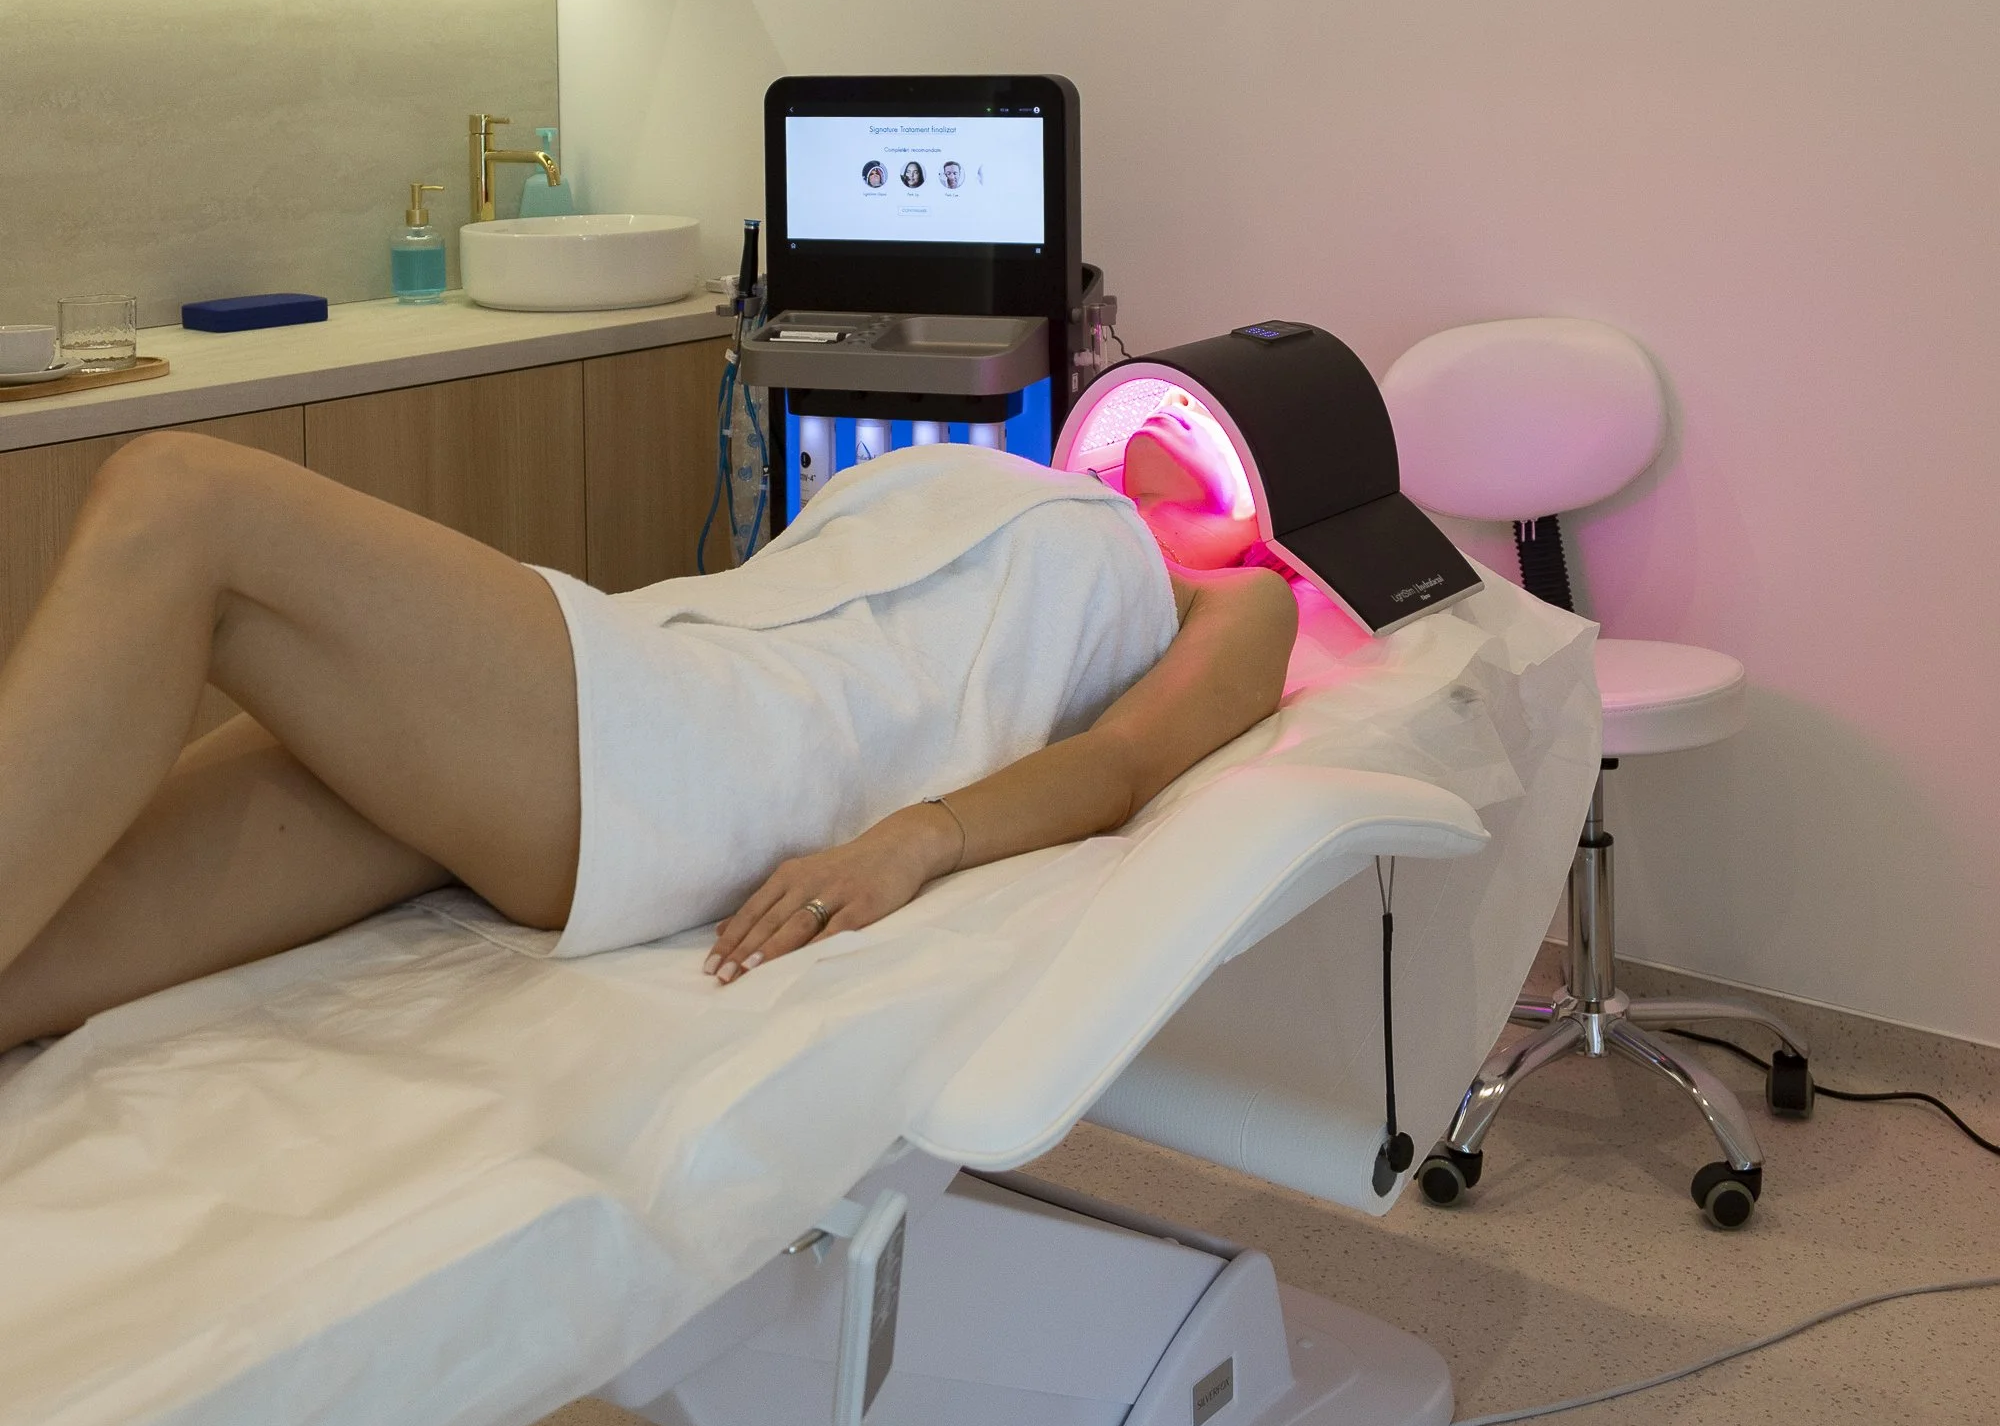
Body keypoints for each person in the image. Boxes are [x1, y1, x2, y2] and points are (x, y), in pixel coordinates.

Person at [0, 433, 1296, 1048]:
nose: (1165, 445)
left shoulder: (1237, 596)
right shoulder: (991, 471)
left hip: (711, 750)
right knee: (38, 960)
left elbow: (1127, 764)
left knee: (179, 501)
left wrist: (916, 840)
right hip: (647, 670)